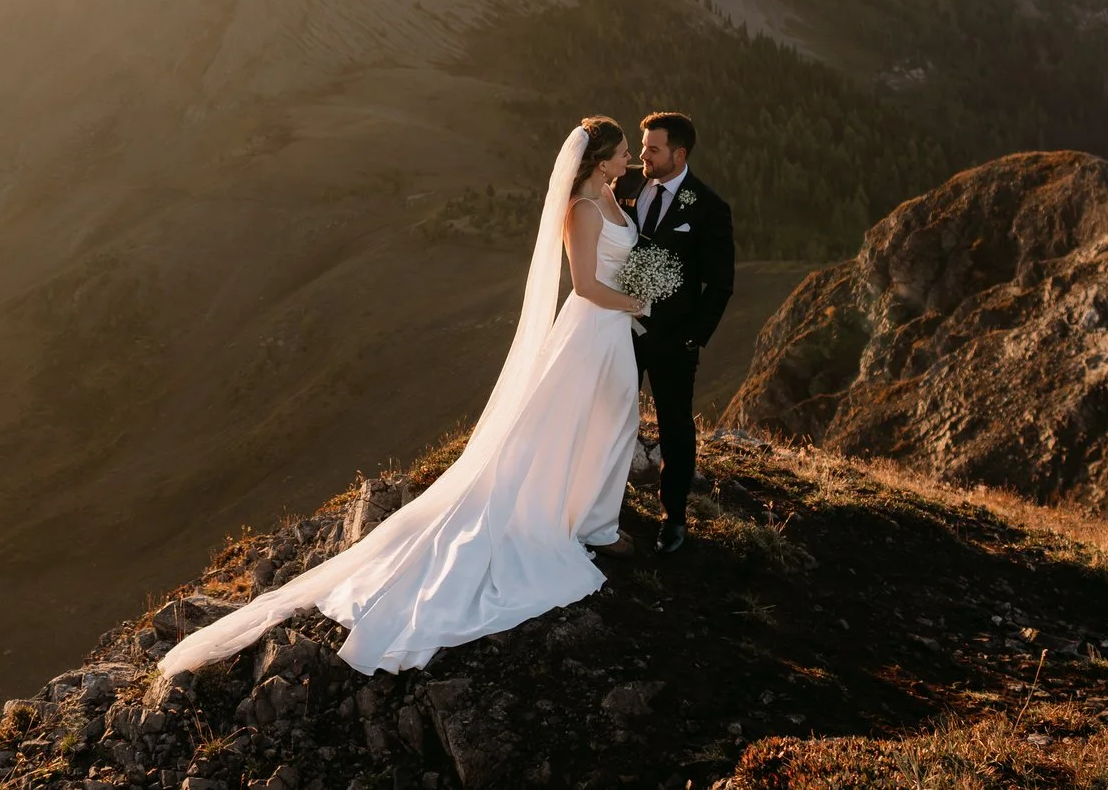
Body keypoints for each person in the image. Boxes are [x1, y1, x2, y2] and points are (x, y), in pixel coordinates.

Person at [161, 118, 648, 676]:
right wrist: (634, 302)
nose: (630, 158)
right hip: (592, 327)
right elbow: (584, 285)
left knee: (613, 421)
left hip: (613, 330)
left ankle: (590, 516)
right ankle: (587, 523)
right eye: (622, 152)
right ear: (600, 159)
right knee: (589, 422)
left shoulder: (610, 195)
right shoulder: (581, 212)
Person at [616, 111, 736, 554]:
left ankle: (674, 518)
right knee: (610, 414)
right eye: (643, 146)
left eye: (652, 148)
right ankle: (605, 503)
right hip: (618, 329)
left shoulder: (707, 207)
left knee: (675, 426)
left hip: (673, 338)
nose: (642, 154)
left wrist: (693, 337)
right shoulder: (624, 185)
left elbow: (720, 283)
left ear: (678, 154)